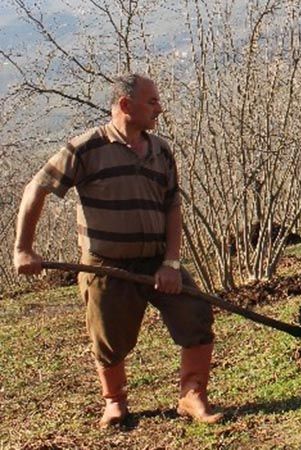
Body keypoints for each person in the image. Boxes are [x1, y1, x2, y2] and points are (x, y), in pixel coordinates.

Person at [12, 73, 222, 427]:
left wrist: (171, 263)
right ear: (126, 105)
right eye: (152, 102)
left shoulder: (161, 150)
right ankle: (115, 403)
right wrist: (23, 249)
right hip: (106, 264)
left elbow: (172, 207)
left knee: (195, 315)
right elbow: (37, 187)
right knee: (108, 336)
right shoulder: (85, 148)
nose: (159, 108)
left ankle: (192, 396)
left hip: (157, 260)